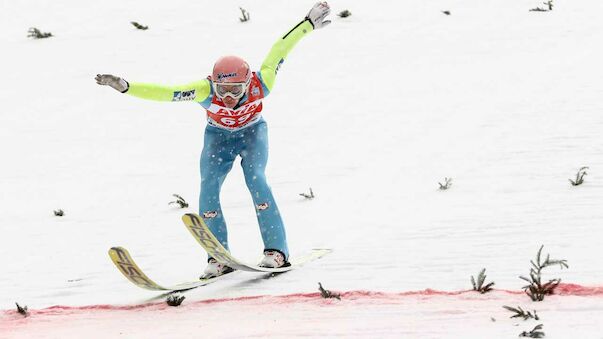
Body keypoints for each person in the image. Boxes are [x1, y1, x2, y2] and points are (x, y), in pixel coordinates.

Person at [95, 2, 331, 278]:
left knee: (256, 179)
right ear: (213, 83)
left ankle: (276, 252)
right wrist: (126, 87)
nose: (229, 98)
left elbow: (280, 49)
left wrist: (308, 24)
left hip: (252, 134)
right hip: (218, 138)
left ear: (247, 83)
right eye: (223, 90)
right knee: (208, 187)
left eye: (235, 90)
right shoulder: (204, 90)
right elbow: (167, 93)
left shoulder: (261, 83)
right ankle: (218, 256)